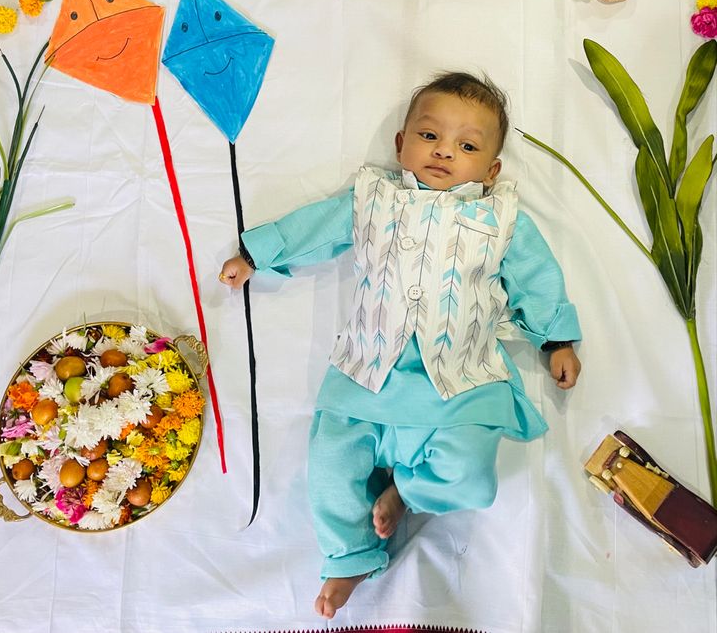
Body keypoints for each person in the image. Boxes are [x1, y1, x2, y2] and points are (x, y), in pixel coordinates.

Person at [219, 72, 582, 619]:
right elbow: (312, 228)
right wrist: (257, 254)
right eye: (429, 135)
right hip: (366, 374)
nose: (443, 152)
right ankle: (349, 556)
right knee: (329, 469)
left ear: (492, 170)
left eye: (467, 146)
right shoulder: (371, 199)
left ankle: (407, 493)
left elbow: (537, 277)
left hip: (460, 383)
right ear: (401, 144)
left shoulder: (501, 219)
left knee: (472, 477)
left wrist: (555, 339)